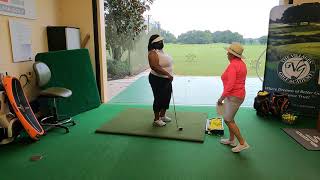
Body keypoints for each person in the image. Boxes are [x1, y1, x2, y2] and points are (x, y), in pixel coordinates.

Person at [218, 42, 250, 153]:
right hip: (235, 95)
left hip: (234, 96)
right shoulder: (241, 63)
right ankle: (232, 140)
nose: (227, 54)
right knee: (229, 119)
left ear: (233, 55)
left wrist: (221, 98)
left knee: (228, 119)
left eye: (228, 52)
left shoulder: (233, 65)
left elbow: (230, 85)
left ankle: (242, 143)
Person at [147, 34, 174, 127]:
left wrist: (168, 76)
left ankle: (162, 116)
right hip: (157, 79)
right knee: (159, 98)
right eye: (159, 42)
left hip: (166, 79)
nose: (161, 43)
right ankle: (156, 119)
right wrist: (167, 74)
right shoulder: (152, 53)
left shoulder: (161, 51)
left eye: (161, 41)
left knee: (166, 97)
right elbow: (154, 67)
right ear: (154, 43)